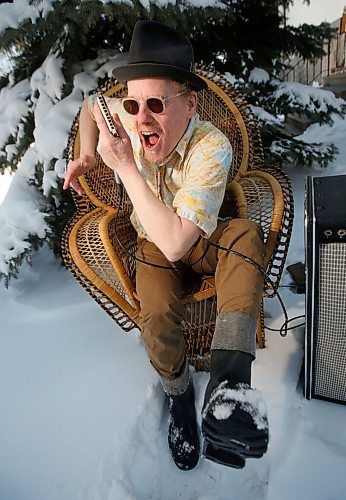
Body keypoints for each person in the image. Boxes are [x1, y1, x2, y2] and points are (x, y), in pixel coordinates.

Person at [64, 20, 269, 471]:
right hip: (152, 240)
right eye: (132, 104)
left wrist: (128, 170)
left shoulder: (210, 146)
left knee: (245, 236)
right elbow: (89, 109)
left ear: (190, 103)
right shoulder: (129, 115)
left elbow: (180, 242)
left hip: (199, 235)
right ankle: (179, 395)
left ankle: (228, 389)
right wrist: (86, 151)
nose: (140, 119)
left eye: (155, 103)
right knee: (154, 311)